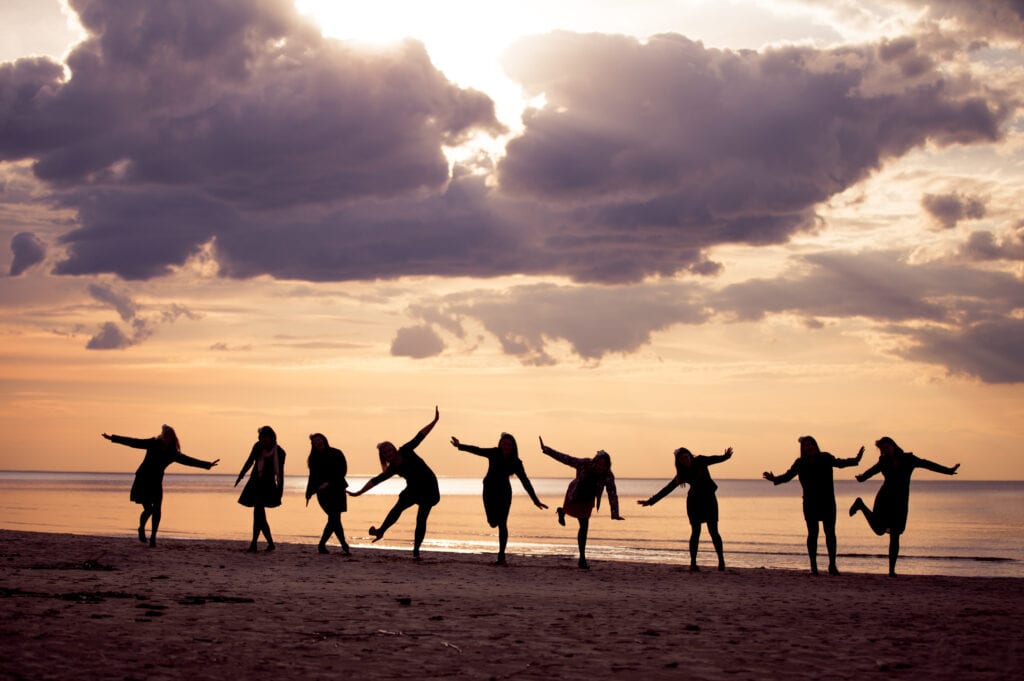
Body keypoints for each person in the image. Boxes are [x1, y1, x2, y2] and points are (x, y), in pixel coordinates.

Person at [850, 436, 960, 576]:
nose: (885, 451)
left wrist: (948, 471)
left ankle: (891, 570)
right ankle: (860, 505)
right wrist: (861, 478)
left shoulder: (909, 459)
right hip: (885, 498)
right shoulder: (883, 461)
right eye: (882, 449)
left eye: (886, 447)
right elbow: (871, 472)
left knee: (895, 535)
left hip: (900, 501)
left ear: (893, 446)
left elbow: (927, 464)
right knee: (879, 530)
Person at [101, 425, 219, 547]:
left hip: (156, 482)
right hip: (143, 479)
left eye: (166, 434)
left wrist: (207, 465)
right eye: (163, 434)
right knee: (149, 509)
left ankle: (153, 538)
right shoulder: (153, 443)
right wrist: (112, 438)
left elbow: (188, 461)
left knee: (157, 509)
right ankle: (141, 528)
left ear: (171, 437)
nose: (164, 436)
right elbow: (134, 442)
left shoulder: (172, 453)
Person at [348, 407, 441, 560]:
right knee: (397, 508)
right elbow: (375, 481)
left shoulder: (406, 450)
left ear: (394, 448)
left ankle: (416, 551)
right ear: (384, 457)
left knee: (421, 518)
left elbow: (420, 436)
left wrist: (434, 421)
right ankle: (381, 531)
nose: (389, 452)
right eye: (385, 452)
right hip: (413, 489)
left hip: (428, 486)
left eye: (389, 449)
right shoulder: (392, 469)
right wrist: (358, 492)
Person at [763, 436, 863, 575]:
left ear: (816, 445)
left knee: (830, 534)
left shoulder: (825, 457)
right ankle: (813, 567)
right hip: (810, 502)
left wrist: (856, 460)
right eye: (806, 446)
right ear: (803, 449)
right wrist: (774, 479)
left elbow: (840, 463)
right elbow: (788, 476)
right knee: (813, 533)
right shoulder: (800, 462)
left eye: (811, 445)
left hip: (827, 501)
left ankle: (832, 565)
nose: (809, 447)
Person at [450, 432, 548, 565]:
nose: (506, 446)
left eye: (509, 444)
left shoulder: (516, 463)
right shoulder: (494, 453)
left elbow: (525, 481)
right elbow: (477, 450)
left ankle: (501, 556)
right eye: (504, 444)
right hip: (489, 490)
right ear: (500, 445)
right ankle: (496, 532)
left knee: (502, 524)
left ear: (513, 447)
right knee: (492, 522)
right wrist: (460, 446)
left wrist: (535, 500)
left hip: (504, 493)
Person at [638, 446, 733, 572]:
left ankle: (721, 562)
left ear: (690, 456)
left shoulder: (700, 461)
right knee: (696, 532)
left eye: (686, 456)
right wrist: (651, 502)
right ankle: (693, 563)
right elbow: (668, 489)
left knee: (714, 531)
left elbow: (713, 459)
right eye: (682, 458)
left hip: (709, 500)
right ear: (679, 462)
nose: (685, 459)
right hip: (694, 503)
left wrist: (725, 457)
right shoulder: (681, 474)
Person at [539, 436, 623, 569]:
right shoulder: (584, 463)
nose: (601, 467)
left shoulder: (607, 475)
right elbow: (566, 459)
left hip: (587, 501)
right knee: (571, 512)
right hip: (574, 496)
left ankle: (582, 558)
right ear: (595, 461)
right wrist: (547, 450)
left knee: (584, 527)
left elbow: (612, 493)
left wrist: (615, 513)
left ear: (608, 465)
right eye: (600, 463)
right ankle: (562, 511)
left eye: (604, 465)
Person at [235, 425, 286, 553]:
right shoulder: (257, 446)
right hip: (255, 483)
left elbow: (280, 473)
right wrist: (241, 475)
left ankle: (256, 543)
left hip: (268, 486)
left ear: (272, 438)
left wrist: (280, 491)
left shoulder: (280, 452)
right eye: (261, 437)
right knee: (259, 514)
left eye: (265, 438)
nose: (262, 440)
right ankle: (265, 543)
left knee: (258, 514)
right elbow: (250, 461)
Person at [305, 433, 350, 555]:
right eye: (315, 441)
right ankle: (342, 544)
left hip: (338, 489)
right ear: (313, 445)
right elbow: (312, 476)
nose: (318, 442)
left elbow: (343, 470)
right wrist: (308, 492)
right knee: (334, 518)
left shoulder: (336, 453)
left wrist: (329, 482)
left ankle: (327, 544)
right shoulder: (313, 458)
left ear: (324, 440)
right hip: (323, 492)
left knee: (334, 518)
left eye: (319, 440)